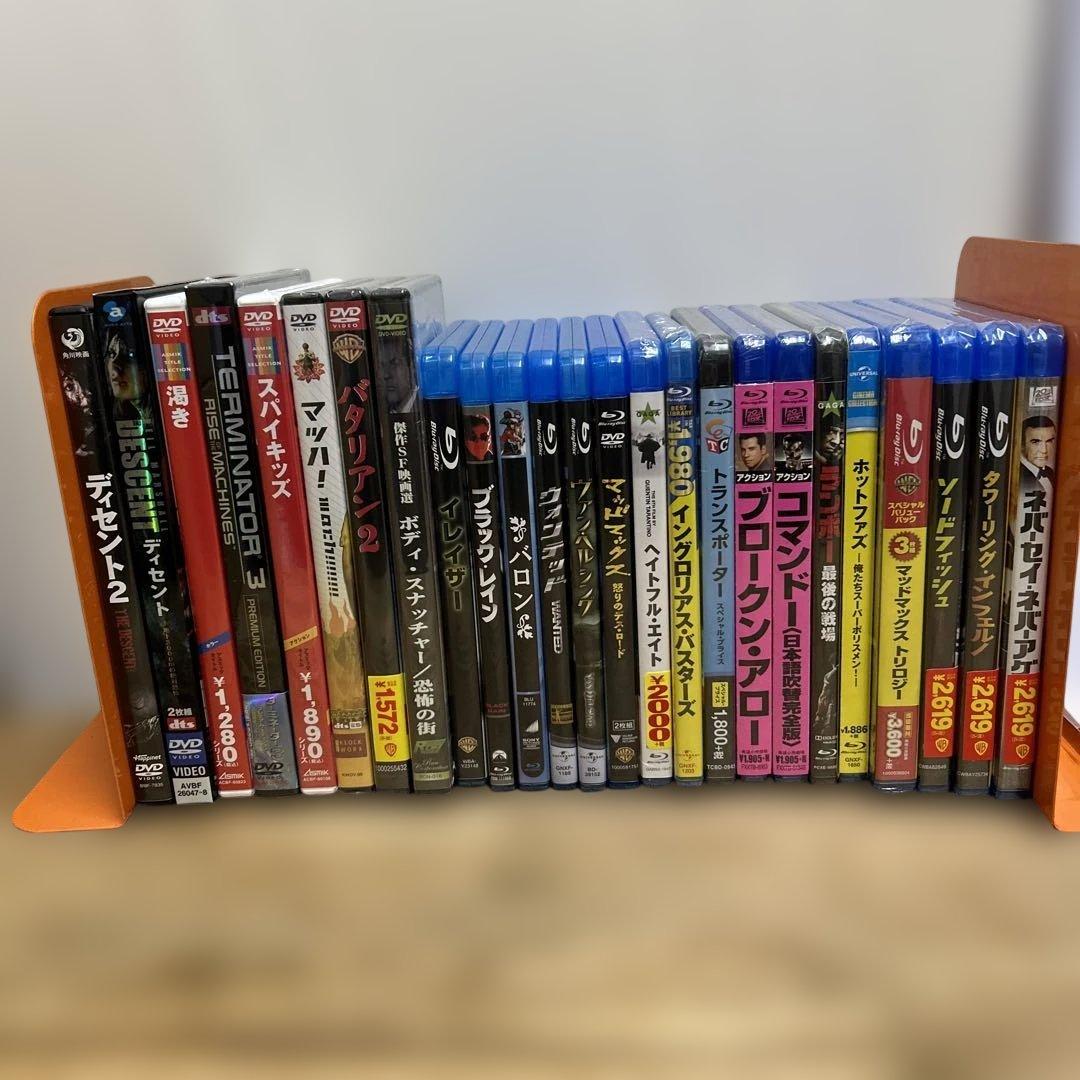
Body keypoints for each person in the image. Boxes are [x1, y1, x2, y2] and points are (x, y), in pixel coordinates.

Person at [1020, 415, 1057, 495]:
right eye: (1036, 442)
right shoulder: (1015, 474)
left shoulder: (1050, 472)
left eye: (1049, 441)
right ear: (1022, 444)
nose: (1044, 450)